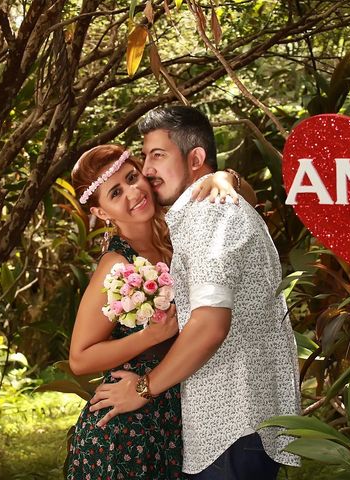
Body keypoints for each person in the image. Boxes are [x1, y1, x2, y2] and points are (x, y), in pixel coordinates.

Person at [88, 106, 301, 479]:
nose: (148, 171)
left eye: (158, 156)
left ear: (196, 158)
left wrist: (142, 388)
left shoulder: (208, 216)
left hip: (230, 427)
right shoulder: (210, 211)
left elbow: (209, 324)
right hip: (241, 423)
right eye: (145, 158)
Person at [66, 144, 249, 479]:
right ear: (103, 213)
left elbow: (227, 197)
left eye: (133, 177)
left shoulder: (176, 232)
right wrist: (150, 335)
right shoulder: (117, 265)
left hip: (174, 418)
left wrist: (225, 177)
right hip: (126, 433)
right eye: (116, 192)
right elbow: (79, 358)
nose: (133, 192)